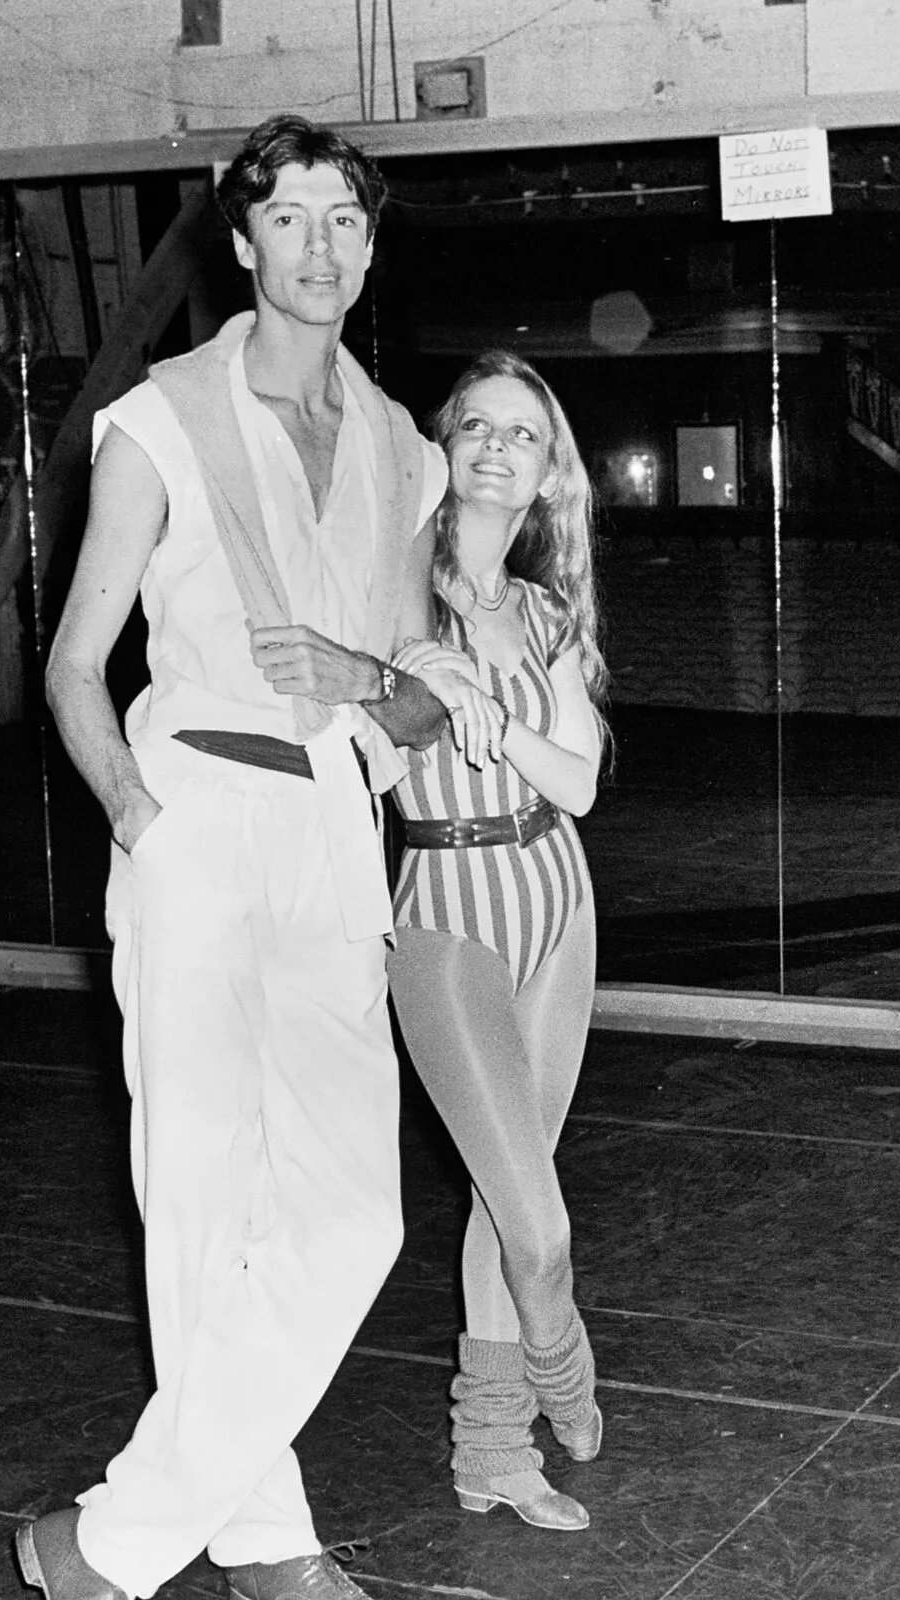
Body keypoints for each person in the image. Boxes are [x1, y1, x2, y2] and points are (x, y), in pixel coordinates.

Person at [18, 114, 452, 1600]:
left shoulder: (402, 445)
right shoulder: (158, 422)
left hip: (334, 828)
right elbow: (73, 664)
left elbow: (417, 709)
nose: (323, 248)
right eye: (294, 220)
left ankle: (106, 1541)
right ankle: (267, 1539)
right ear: (242, 243)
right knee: (204, 1214)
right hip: (199, 810)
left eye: (349, 221)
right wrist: (145, 821)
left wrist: (376, 685)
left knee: (355, 1217)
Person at [386, 352, 610, 1531]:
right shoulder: (390, 583)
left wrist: (500, 722)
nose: (494, 446)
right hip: (444, 911)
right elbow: (361, 722)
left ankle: (490, 1453)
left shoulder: (544, 610)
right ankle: (565, 1372)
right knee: (540, 1224)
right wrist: (422, 666)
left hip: (555, 904)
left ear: (546, 473)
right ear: (445, 446)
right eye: (475, 424)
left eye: (522, 434)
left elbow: (575, 784)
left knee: (496, 1197)